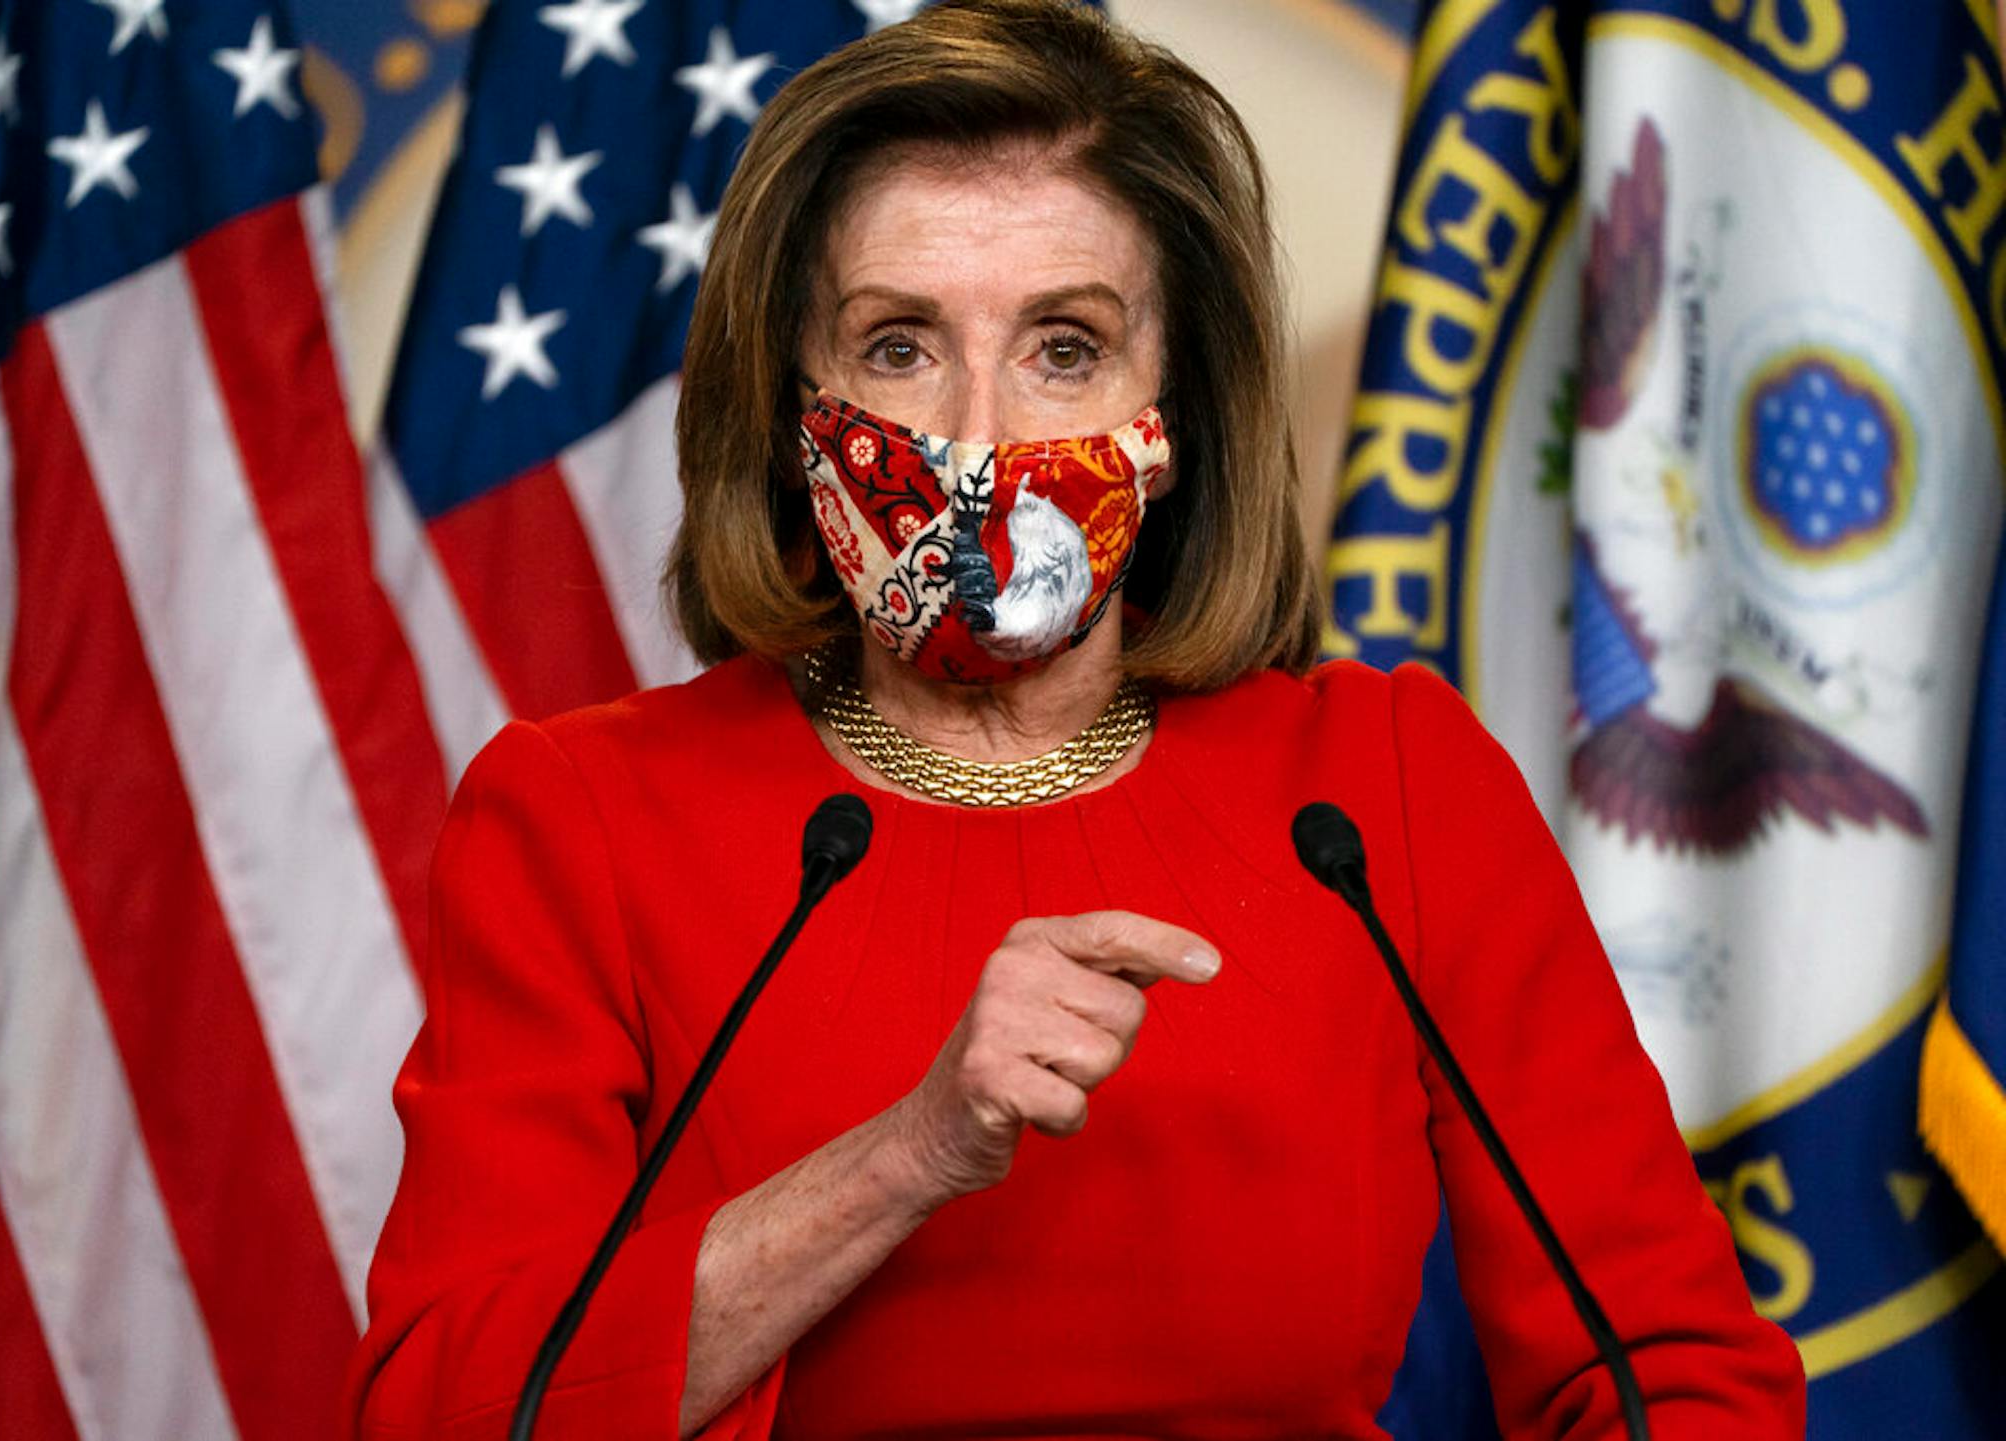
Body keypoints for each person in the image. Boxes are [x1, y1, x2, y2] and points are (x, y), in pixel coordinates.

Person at [347, 2, 1805, 1436]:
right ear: (792, 415)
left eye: (1064, 347)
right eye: (900, 347)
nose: (980, 440)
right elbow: (451, 1417)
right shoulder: (582, 817)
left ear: (1173, 418)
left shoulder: (1383, 788)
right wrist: (909, 1155)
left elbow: (1673, 1375)